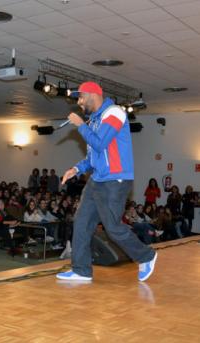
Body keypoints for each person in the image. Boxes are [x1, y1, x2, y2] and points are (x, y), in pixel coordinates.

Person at [58, 81, 157, 282]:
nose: (79, 102)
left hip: (115, 181)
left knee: (112, 227)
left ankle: (147, 256)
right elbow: (93, 157)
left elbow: (100, 143)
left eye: (81, 97)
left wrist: (80, 124)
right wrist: (76, 169)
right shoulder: (94, 121)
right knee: (81, 222)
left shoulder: (115, 113)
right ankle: (81, 270)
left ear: (92, 95)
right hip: (96, 180)